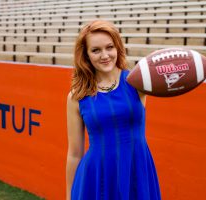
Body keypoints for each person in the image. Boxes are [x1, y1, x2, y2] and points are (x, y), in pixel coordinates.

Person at [66, 20, 161, 200]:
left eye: (109, 47)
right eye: (96, 50)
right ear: (86, 55)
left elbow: (167, 73)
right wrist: (69, 195)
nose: (105, 55)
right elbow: (74, 154)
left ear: (117, 47)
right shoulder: (76, 97)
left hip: (137, 170)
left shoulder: (137, 82)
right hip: (98, 178)